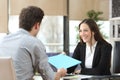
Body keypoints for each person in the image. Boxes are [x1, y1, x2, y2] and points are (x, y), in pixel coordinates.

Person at [0, 6, 66, 80]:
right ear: (36, 25)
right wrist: (60, 72)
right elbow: (50, 78)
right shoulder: (34, 43)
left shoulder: (3, 40)